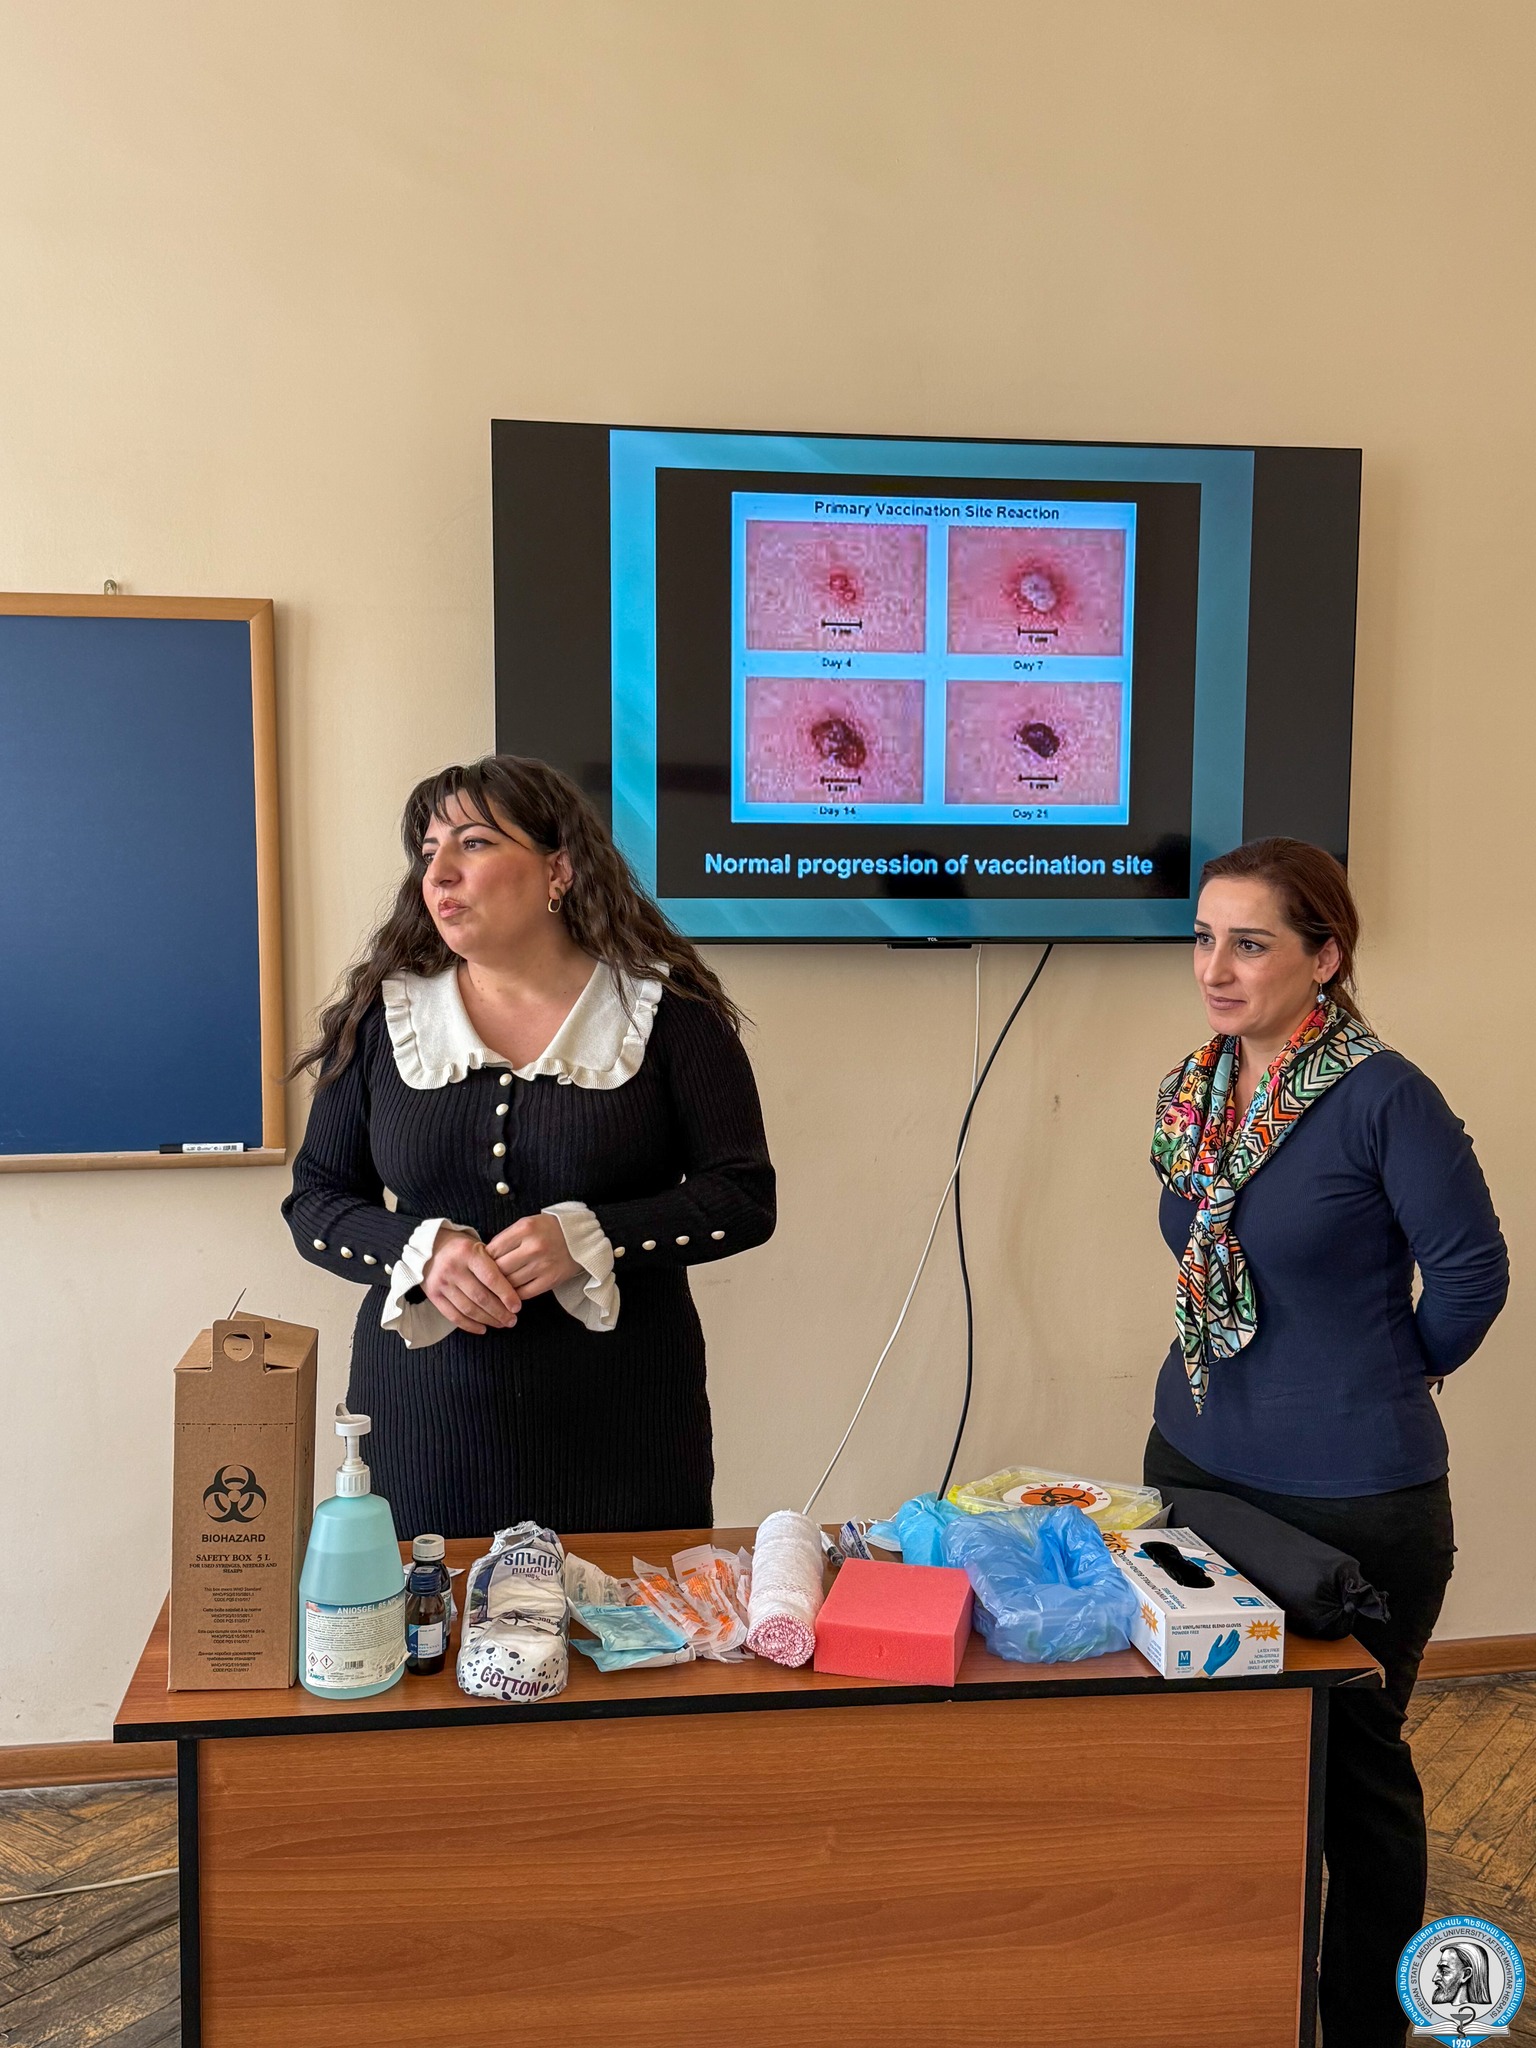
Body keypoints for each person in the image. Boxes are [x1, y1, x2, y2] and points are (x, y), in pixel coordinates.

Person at [1143, 837, 1507, 2048]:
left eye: (1250, 943)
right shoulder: (1196, 1091)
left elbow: (1472, 1273)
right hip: (1194, 1470)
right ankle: (1227, 1997)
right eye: (1205, 937)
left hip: (1353, 1500)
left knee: (1356, 1780)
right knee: (1219, 1770)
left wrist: (1382, 1373)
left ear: (1326, 955)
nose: (1215, 967)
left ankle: (1360, 2026)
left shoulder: (1386, 1095)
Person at [283, 753, 776, 1538]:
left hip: (626, 1431)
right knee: (424, 1616)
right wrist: (421, 1251)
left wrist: (594, 1235)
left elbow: (743, 1197)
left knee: (627, 1617)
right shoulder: (383, 1020)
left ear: (559, 870)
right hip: (424, 1427)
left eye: (474, 843)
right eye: (428, 852)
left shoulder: (667, 1014)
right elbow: (315, 1202)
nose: (439, 873)